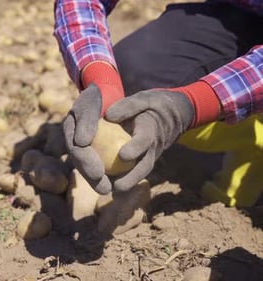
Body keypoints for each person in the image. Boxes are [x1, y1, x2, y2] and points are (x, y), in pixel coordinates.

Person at [54, 0, 263, 207]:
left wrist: (192, 104)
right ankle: (246, 138)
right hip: (242, 14)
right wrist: (101, 78)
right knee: (137, 78)